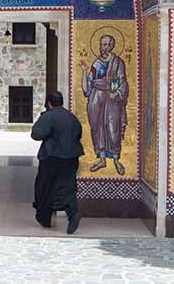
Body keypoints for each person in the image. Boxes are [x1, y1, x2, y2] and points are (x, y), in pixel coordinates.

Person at [31, 90, 84, 234]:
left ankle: (44, 218)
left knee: (45, 186)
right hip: (71, 158)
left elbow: (36, 134)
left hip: (51, 158)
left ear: (49, 103)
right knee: (67, 187)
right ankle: (73, 214)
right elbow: (78, 134)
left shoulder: (49, 116)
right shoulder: (72, 117)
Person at [79, 34, 129, 175]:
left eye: (106, 45)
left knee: (113, 129)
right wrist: (84, 71)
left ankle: (116, 160)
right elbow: (87, 88)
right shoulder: (96, 63)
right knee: (97, 128)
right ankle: (101, 159)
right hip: (96, 98)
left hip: (112, 99)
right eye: (102, 44)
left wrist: (116, 93)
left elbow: (121, 80)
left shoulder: (117, 62)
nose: (103, 48)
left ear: (111, 46)